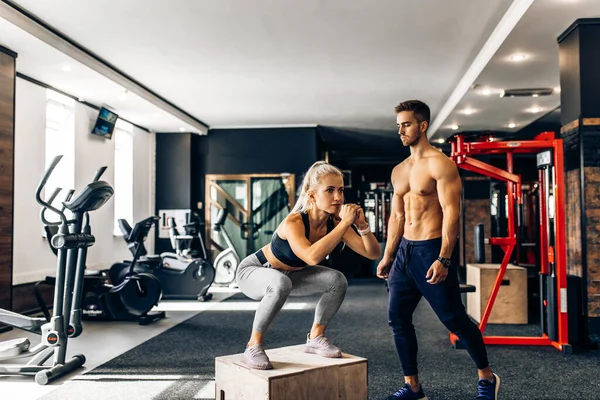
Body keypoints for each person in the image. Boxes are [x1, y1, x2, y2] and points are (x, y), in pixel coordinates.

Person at [376, 100, 500, 400]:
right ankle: (414, 387)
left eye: (406, 124)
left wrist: (444, 257)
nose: (401, 131)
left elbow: (452, 214)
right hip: (404, 253)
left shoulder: (440, 164)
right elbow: (397, 217)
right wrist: (389, 256)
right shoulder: (399, 170)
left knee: (453, 318)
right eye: (398, 126)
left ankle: (487, 377)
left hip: (431, 250)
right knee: (397, 319)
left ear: (422, 125)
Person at [236, 161, 381, 370]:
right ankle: (253, 345)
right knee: (279, 283)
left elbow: (373, 253)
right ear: (312, 194)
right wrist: (344, 224)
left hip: (291, 276)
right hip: (255, 271)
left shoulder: (333, 223)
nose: (338, 197)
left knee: (336, 280)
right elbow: (312, 257)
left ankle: (316, 337)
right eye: (329, 190)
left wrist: (362, 226)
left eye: (340, 190)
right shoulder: (294, 221)